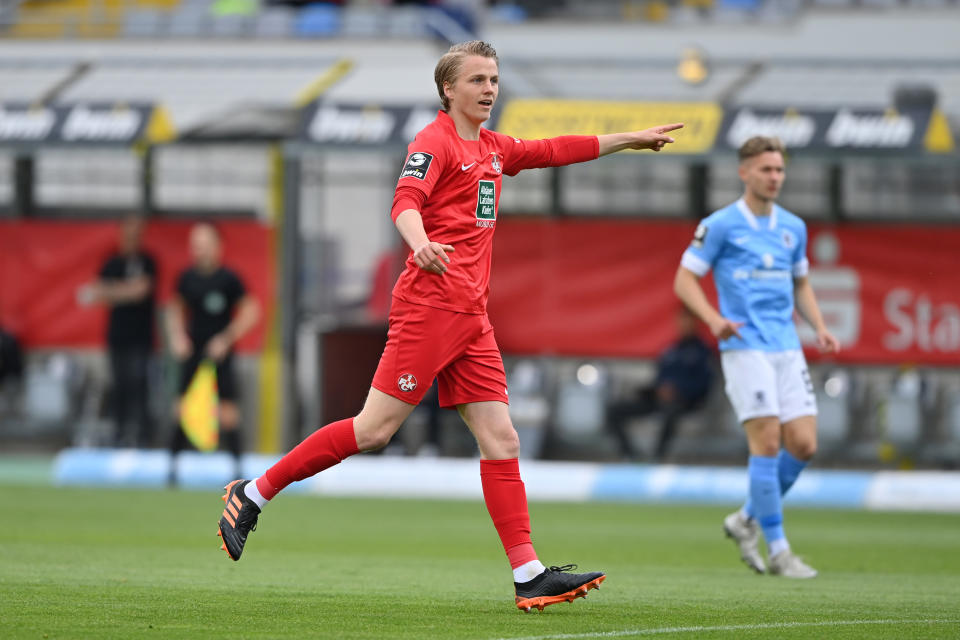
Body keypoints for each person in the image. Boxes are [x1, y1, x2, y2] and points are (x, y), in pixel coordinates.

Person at [215, 40, 682, 612]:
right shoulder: (432, 142)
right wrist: (422, 244)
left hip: (472, 319)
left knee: (501, 438)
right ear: (449, 90)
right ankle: (254, 492)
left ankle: (528, 573)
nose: (490, 88)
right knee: (373, 431)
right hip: (429, 309)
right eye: (478, 79)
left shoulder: (493, 148)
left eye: (494, 78)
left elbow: (556, 149)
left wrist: (628, 140)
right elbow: (404, 201)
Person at [673, 135, 840, 579]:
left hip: (786, 347)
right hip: (745, 347)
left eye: (780, 170)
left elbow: (800, 282)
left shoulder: (793, 227)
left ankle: (746, 519)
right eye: (766, 169)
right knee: (766, 443)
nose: (774, 177)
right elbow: (684, 280)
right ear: (744, 172)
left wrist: (819, 326)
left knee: (803, 445)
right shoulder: (722, 224)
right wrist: (713, 318)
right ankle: (780, 549)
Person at [167, 222, 260, 483]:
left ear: (218, 247)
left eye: (205, 244)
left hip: (220, 354)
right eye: (195, 245)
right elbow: (173, 310)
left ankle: (238, 472)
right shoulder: (186, 278)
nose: (199, 250)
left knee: (228, 411)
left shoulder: (229, 279)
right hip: (192, 351)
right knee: (182, 407)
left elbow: (252, 312)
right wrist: (178, 337)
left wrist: (226, 339)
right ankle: (172, 470)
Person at [77, 214, 157, 447]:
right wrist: (125, 291)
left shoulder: (148, 261)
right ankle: (119, 434)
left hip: (141, 337)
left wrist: (114, 291)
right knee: (119, 384)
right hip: (118, 336)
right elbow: (95, 293)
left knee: (139, 384)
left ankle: (142, 436)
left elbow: (141, 291)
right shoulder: (111, 262)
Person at [606, 305, 713, 462]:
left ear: (695, 323)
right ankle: (630, 455)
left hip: (686, 401)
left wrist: (678, 391)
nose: (683, 325)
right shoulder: (670, 350)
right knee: (614, 410)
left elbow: (704, 384)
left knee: (670, 411)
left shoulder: (702, 352)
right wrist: (655, 390)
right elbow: (659, 378)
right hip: (658, 398)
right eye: (680, 321)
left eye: (687, 321)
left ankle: (657, 458)